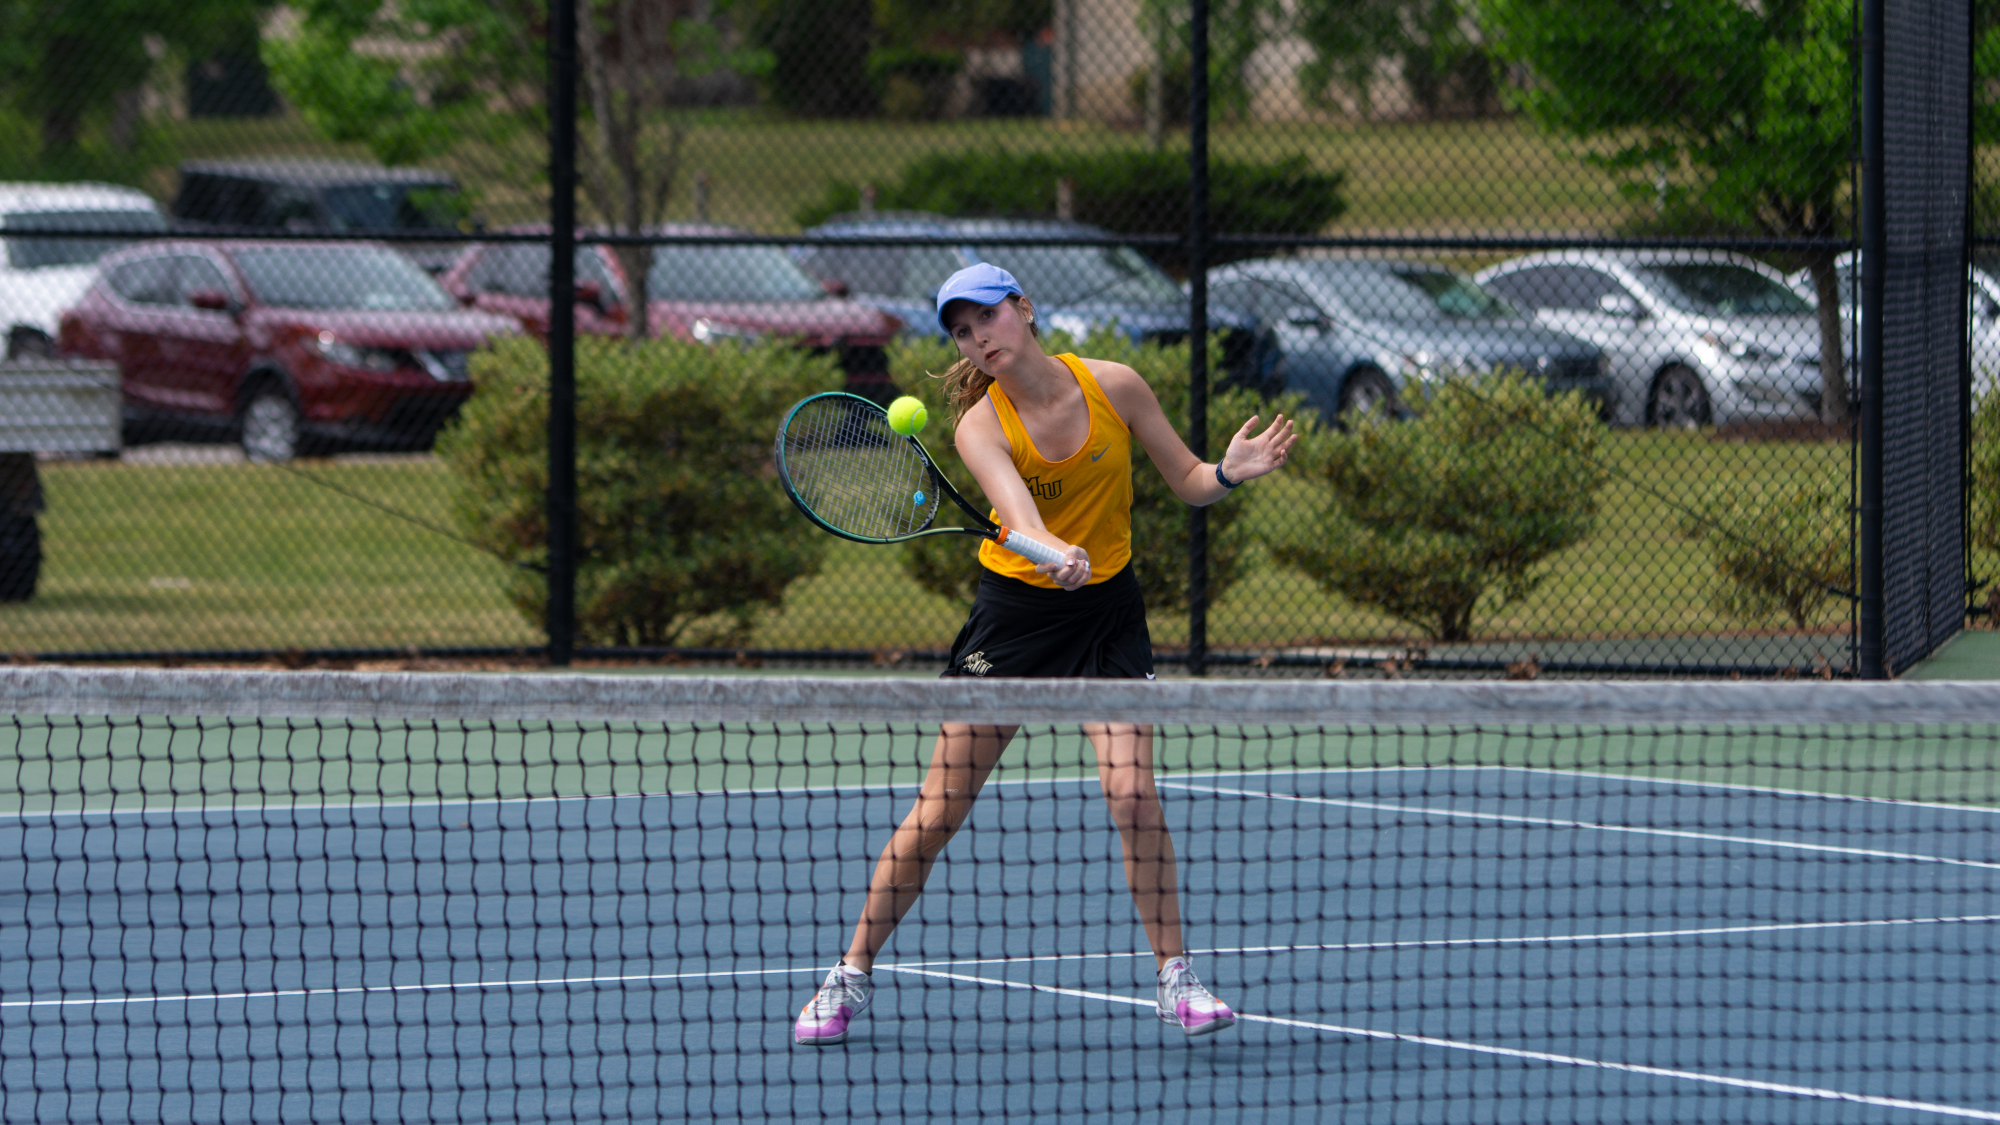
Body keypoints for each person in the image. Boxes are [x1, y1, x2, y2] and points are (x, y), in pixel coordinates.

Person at [793, 263, 1298, 1047]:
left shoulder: (1116, 385)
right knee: (937, 813)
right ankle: (849, 973)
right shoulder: (978, 426)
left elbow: (1190, 479)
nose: (977, 338)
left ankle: (1176, 977)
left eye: (986, 317)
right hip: (1016, 622)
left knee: (1133, 795)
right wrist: (1051, 549)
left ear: (1024, 309)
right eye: (961, 330)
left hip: (1108, 618)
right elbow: (1018, 514)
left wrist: (1231, 470)